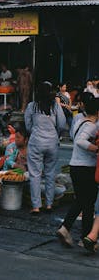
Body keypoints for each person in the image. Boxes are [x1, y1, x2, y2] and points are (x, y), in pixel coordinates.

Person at [57, 97, 98, 247]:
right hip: (86, 168)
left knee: (82, 201)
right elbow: (80, 141)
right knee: (88, 203)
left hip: (76, 166)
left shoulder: (79, 120)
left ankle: (68, 229)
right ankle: (85, 238)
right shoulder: (92, 126)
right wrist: (96, 149)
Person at [25, 81, 66, 214]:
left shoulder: (32, 106)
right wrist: (55, 135)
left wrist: (35, 132)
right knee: (50, 173)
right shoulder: (55, 106)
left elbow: (28, 125)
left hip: (36, 141)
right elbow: (61, 124)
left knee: (35, 174)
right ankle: (49, 204)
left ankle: (36, 206)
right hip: (52, 142)